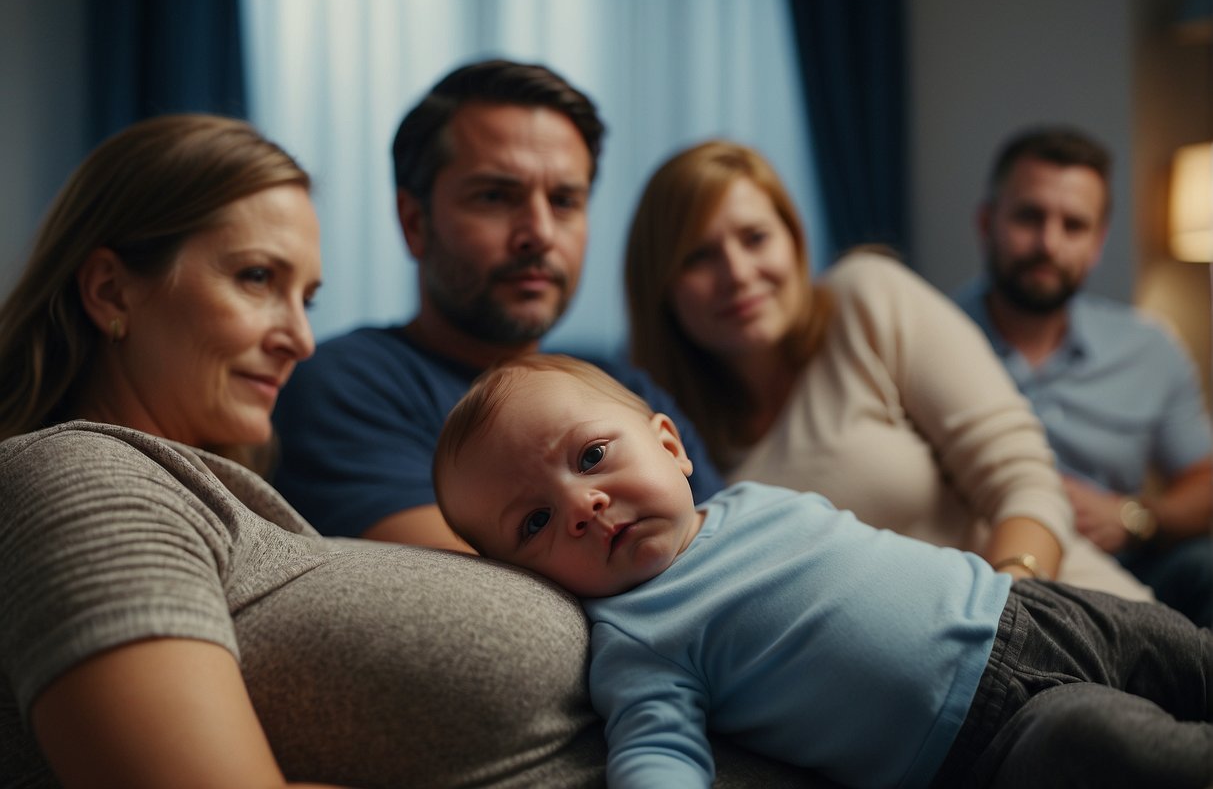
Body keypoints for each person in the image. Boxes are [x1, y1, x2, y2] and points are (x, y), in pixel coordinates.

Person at [0, 114, 812, 789]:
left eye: (307, 297)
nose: (301, 339)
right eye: (255, 278)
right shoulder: (76, 474)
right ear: (111, 291)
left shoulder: (232, 509)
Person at [433, 353, 1213, 789]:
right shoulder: (636, 638)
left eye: (592, 455)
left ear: (669, 446)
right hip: (985, 742)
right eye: (534, 522)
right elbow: (655, 747)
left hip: (1033, 607)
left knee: (1186, 653)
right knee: (1126, 753)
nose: (581, 504)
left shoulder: (750, 500)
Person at [623, 139, 1149, 600]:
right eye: (698, 256)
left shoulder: (867, 298)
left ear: (793, 239)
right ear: (659, 285)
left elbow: (1027, 483)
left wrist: (1008, 624)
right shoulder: (671, 447)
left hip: (1071, 614)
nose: (737, 274)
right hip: (935, 701)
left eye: (756, 238)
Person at [271, 59, 722, 551]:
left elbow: (725, 549)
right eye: (495, 196)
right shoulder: (345, 384)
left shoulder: (623, 389)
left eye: (565, 200)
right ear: (415, 223)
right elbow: (497, 608)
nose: (540, 234)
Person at [952, 127, 1213, 626]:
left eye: (1074, 225)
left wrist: (1135, 517)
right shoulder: (931, 339)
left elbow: (1204, 483)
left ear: (1097, 243)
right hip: (984, 573)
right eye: (1029, 217)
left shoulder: (1149, 347)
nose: (1048, 243)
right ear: (987, 222)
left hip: (1126, 570)